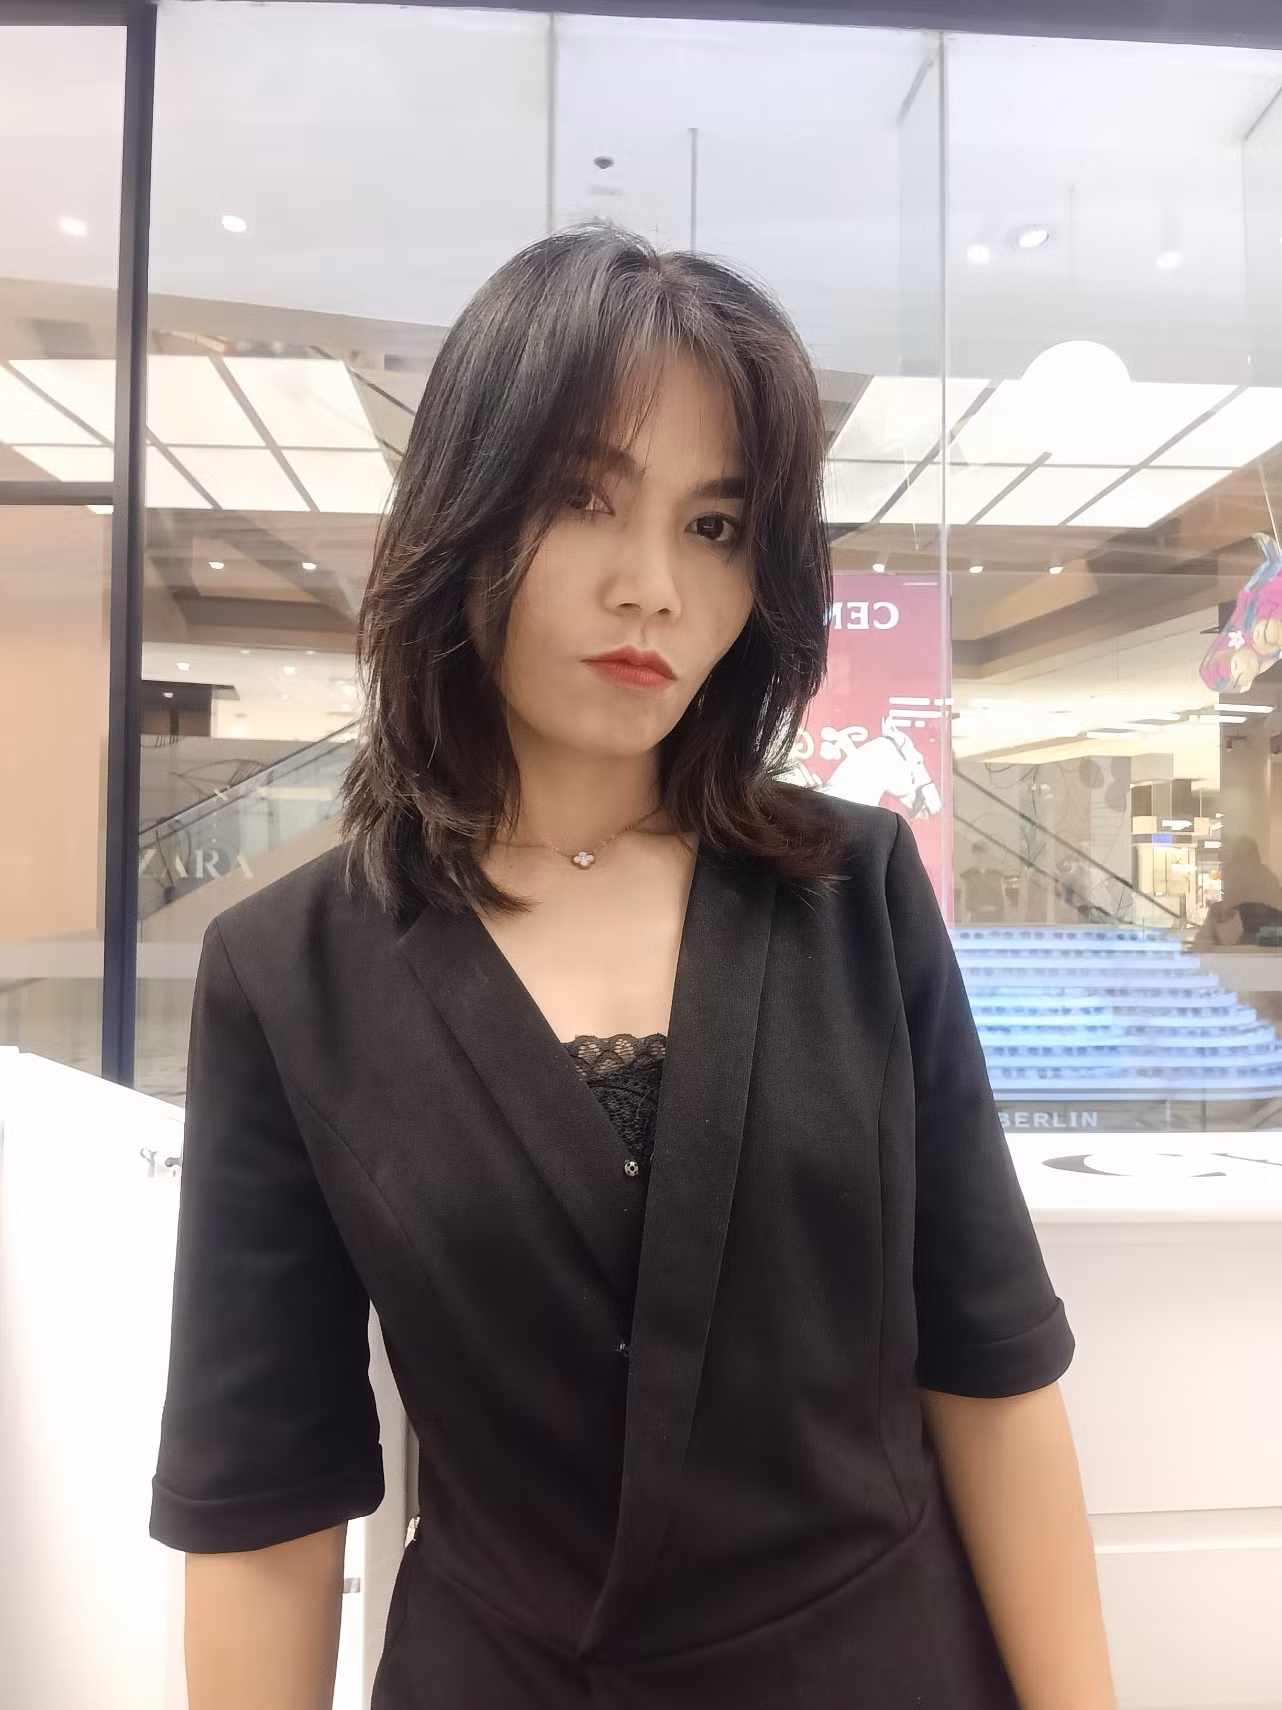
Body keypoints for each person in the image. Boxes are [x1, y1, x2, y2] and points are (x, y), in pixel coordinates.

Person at [149, 227, 1115, 1710]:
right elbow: (264, 1495)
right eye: (582, 498)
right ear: (466, 509)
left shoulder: (854, 892)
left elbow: (989, 1373)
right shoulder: (290, 972)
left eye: (715, 525)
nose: (652, 587)